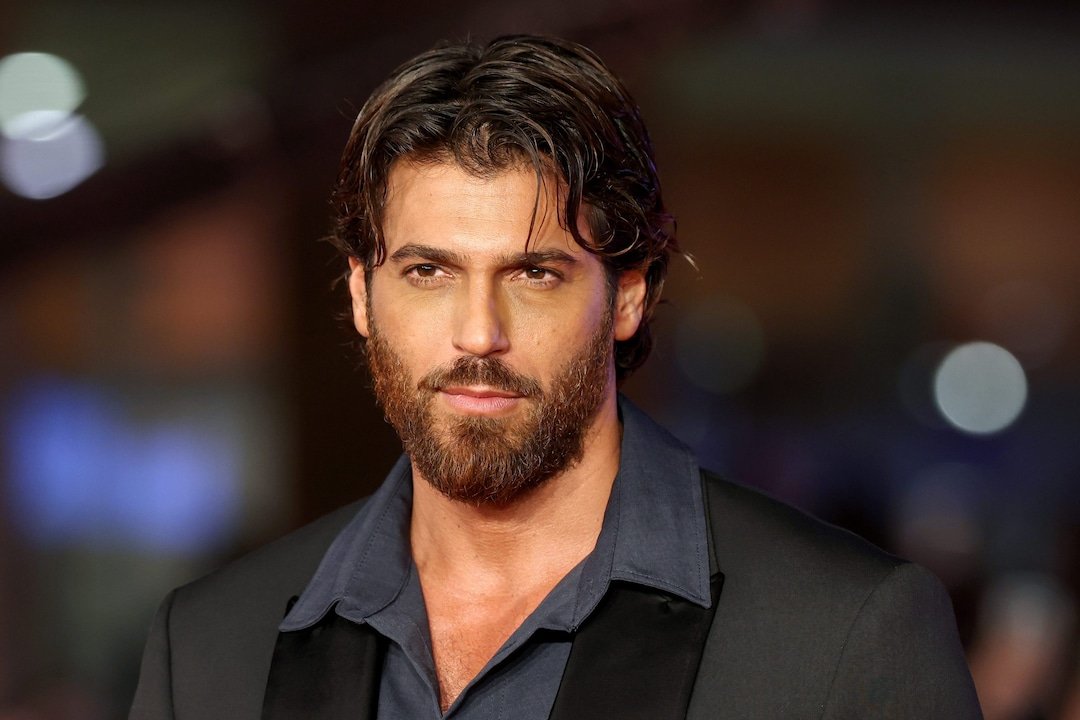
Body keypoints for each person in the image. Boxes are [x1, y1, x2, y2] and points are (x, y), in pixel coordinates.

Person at [129, 35, 982, 719]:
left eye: (534, 273)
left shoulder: (841, 635)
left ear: (628, 297)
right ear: (361, 294)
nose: (479, 333)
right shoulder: (211, 645)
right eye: (428, 272)